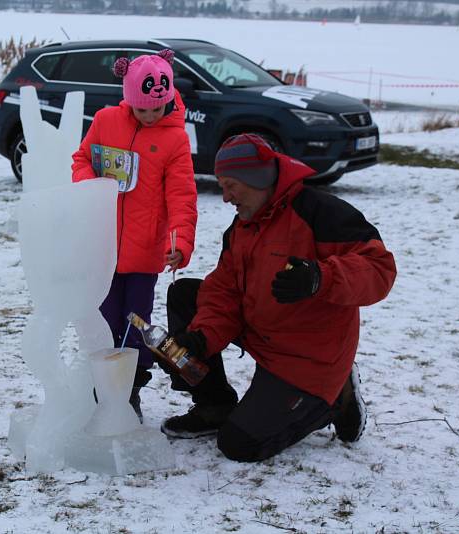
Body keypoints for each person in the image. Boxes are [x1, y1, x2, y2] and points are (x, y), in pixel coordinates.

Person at [162, 133, 396, 462]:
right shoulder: (243, 224)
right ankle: (213, 406)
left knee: (239, 444)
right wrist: (200, 340)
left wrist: (320, 278)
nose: (226, 197)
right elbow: (225, 291)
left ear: (256, 178)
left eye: (230, 185)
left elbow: (380, 270)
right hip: (264, 331)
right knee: (186, 294)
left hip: (308, 359)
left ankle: (332, 400)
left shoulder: (319, 212)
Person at [72, 50, 198, 421]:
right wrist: (92, 185)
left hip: (145, 255)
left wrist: (179, 243)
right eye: (142, 109)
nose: (150, 116)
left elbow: (182, 196)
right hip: (103, 249)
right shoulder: (106, 120)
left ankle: (130, 390)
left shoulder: (175, 139)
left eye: (157, 109)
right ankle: (102, 389)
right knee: (105, 321)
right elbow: (80, 159)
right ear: (128, 99)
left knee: (136, 324)